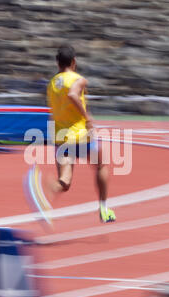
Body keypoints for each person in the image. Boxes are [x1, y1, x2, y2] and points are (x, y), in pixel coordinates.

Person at [43, 45, 116, 223]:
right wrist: (88, 118)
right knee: (100, 166)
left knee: (65, 181)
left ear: (57, 63)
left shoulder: (51, 84)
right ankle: (104, 208)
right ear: (74, 62)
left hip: (61, 136)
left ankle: (53, 186)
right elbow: (73, 95)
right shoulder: (79, 79)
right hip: (81, 134)